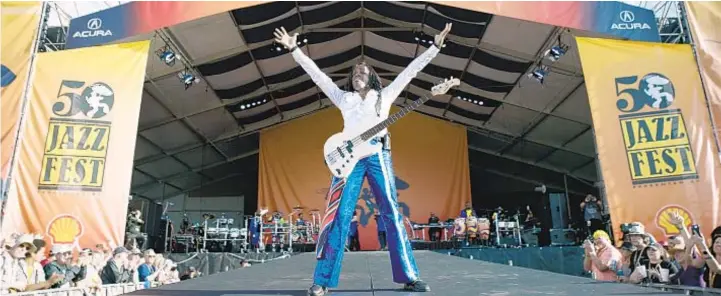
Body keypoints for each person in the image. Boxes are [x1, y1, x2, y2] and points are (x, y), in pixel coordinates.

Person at [273, 22, 452, 296]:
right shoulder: (343, 98)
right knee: (338, 217)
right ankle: (322, 281)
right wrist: (294, 49)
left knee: (392, 213)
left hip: (378, 155)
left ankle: (409, 276)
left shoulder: (385, 95)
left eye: (362, 71)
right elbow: (317, 76)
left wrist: (435, 47)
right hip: (348, 161)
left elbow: (411, 71)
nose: (357, 73)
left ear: (371, 77)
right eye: (354, 71)